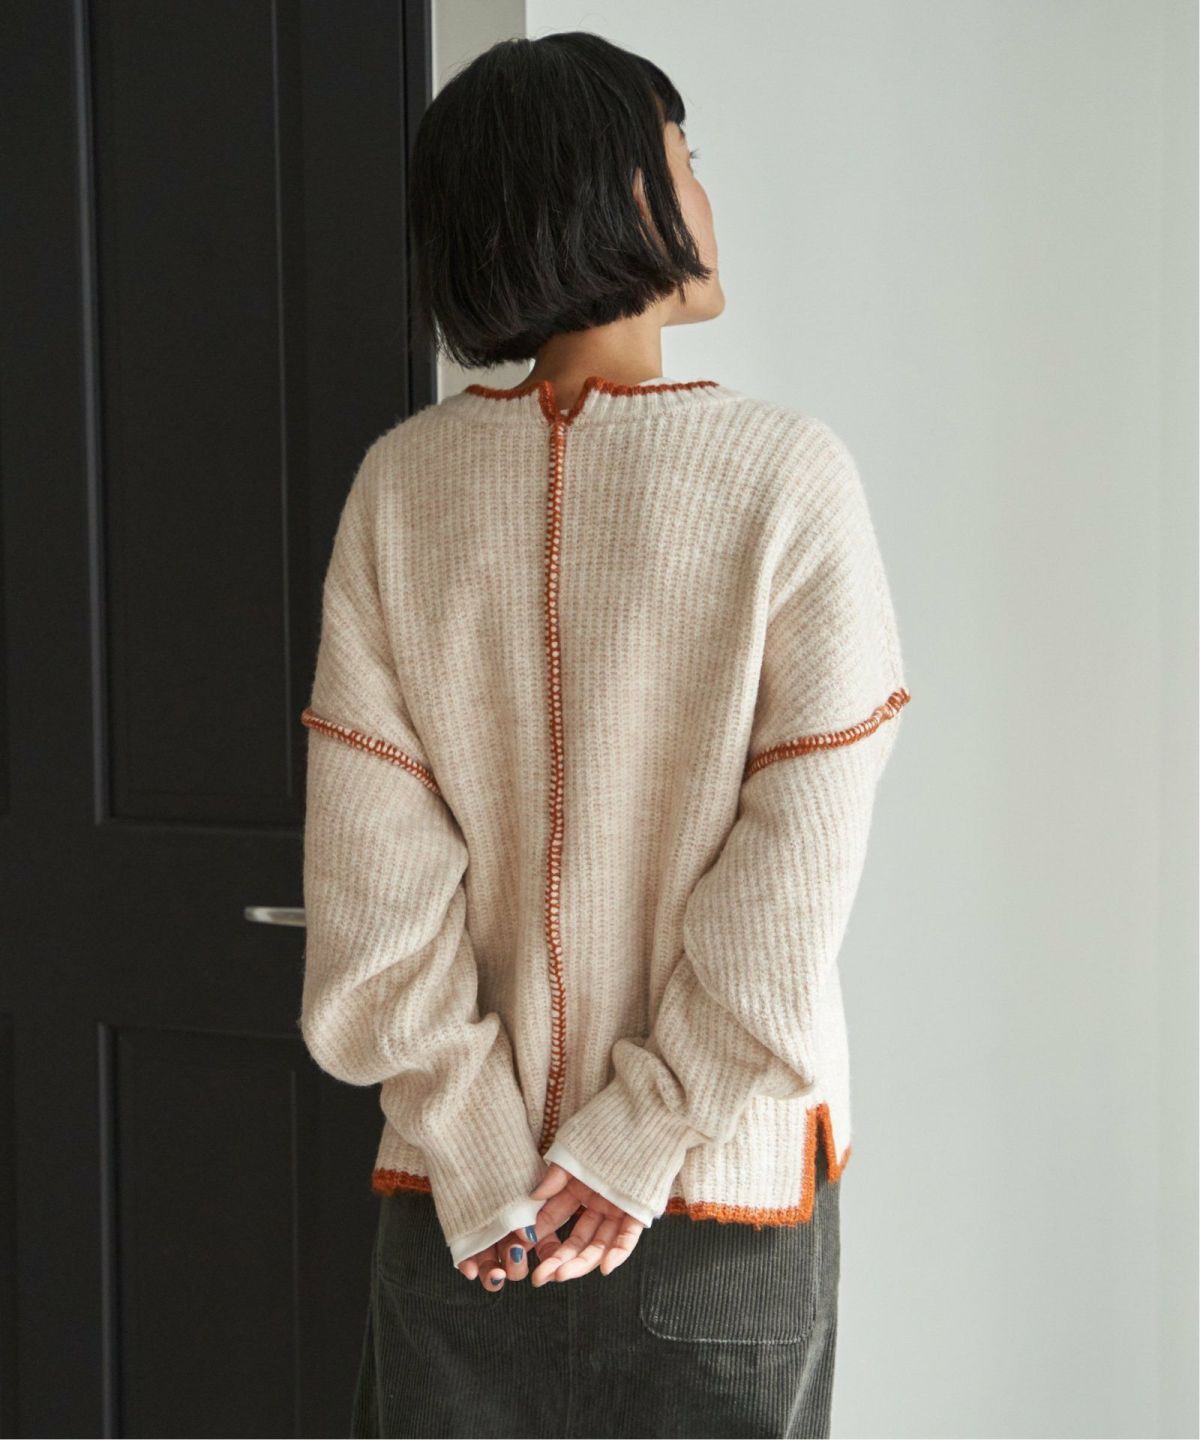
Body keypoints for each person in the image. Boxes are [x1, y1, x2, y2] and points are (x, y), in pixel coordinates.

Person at [298, 29, 911, 1440]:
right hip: (716, 1201)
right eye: (686, 161)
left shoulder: (401, 491)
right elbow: (794, 877)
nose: (705, 196)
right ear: (618, 192)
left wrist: (485, 1149)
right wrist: (639, 1137)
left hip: (467, 1215)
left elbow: (371, 898)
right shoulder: (787, 479)